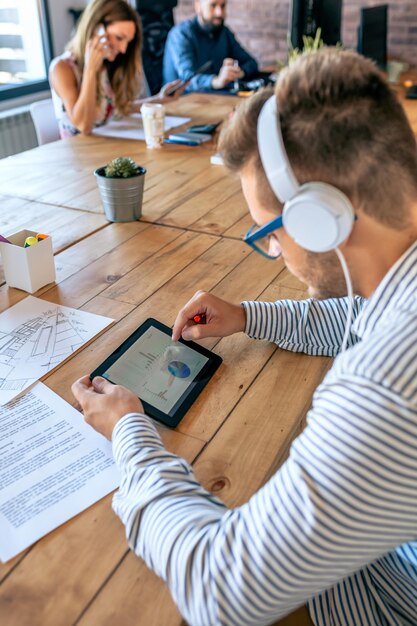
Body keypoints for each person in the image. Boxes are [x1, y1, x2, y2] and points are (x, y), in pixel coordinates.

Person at [72, 48, 417, 626]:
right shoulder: (396, 278)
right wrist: (247, 316)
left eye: (271, 234)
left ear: (319, 218)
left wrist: (129, 432)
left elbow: (220, 588)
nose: (275, 253)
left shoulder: (387, 385)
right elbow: (357, 314)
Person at [49, 0, 183, 138]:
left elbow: (118, 109)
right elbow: (83, 125)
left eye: (128, 42)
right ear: (96, 29)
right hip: (78, 154)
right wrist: (90, 69)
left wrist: (159, 99)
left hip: (105, 148)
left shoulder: (106, 66)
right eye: (119, 38)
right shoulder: (62, 68)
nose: (123, 49)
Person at [162, 0, 258, 93]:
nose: (219, 13)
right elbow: (187, 79)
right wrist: (216, 81)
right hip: (181, 102)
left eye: (223, 6)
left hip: (215, 98)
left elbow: (251, 62)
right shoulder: (181, 35)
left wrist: (238, 73)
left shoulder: (224, 33)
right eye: (213, 5)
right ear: (198, 6)